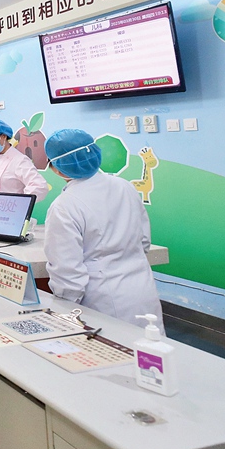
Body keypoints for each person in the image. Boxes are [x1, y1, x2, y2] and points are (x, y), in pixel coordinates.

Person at [43, 129, 165, 331]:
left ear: (57, 168)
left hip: (102, 298)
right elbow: (144, 241)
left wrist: (66, 311)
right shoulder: (125, 186)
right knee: (149, 345)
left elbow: (67, 272)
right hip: (141, 288)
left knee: (113, 346)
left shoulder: (64, 206)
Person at [0, 118, 49, 212]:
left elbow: (39, 186)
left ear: (4, 136)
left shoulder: (19, 160)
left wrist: (19, 204)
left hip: (11, 213)